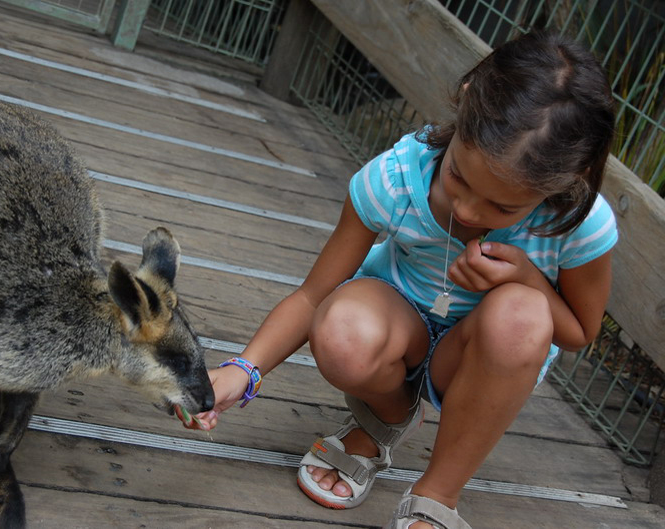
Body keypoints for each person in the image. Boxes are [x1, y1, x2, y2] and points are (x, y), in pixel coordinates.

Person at [181, 31, 618, 528]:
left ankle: (438, 494)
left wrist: (527, 278)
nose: (469, 211)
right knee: (341, 329)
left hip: (480, 360)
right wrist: (244, 370)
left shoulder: (578, 225)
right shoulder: (394, 181)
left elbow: (579, 332)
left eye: (503, 207)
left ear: (570, 177)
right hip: (397, 324)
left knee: (521, 313)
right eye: (458, 177)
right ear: (467, 96)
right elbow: (312, 296)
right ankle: (386, 417)